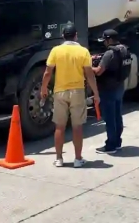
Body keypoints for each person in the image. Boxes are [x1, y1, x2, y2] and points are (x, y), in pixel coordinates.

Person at [40, 24, 100, 168]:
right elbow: (89, 74)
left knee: (59, 127)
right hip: (78, 91)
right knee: (77, 127)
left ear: (63, 36)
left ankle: (59, 159)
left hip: (60, 92)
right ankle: (78, 159)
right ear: (76, 35)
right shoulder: (83, 51)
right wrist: (96, 93)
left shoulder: (56, 50)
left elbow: (48, 72)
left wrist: (43, 88)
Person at [92, 29, 131, 155]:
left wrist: (88, 67)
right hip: (119, 86)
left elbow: (99, 71)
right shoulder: (124, 49)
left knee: (109, 119)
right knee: (117, 116)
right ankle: (118, 142)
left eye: (104, 40)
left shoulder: (110, 53)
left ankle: (110, 145)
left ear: (109, 40)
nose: (104, 43)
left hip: (108, 89)